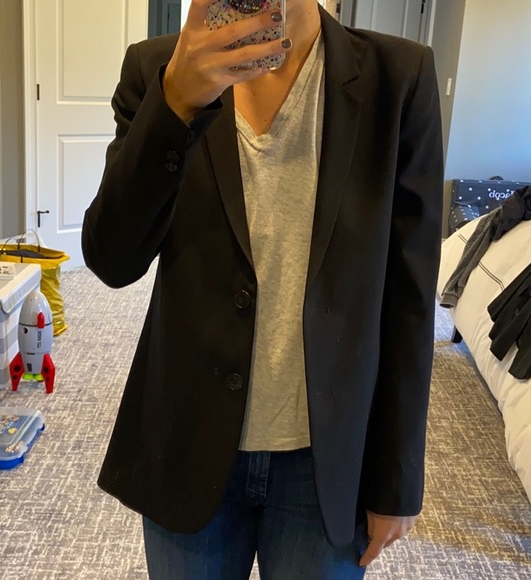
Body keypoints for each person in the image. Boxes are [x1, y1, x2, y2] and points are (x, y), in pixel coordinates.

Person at [82, 0, 444, 578]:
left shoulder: (398, 78)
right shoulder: (157, 70)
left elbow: (410, 298)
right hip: (188, 437)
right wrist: (175, 104)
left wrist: (397, 478)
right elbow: (112, 259)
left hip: (326, 459)